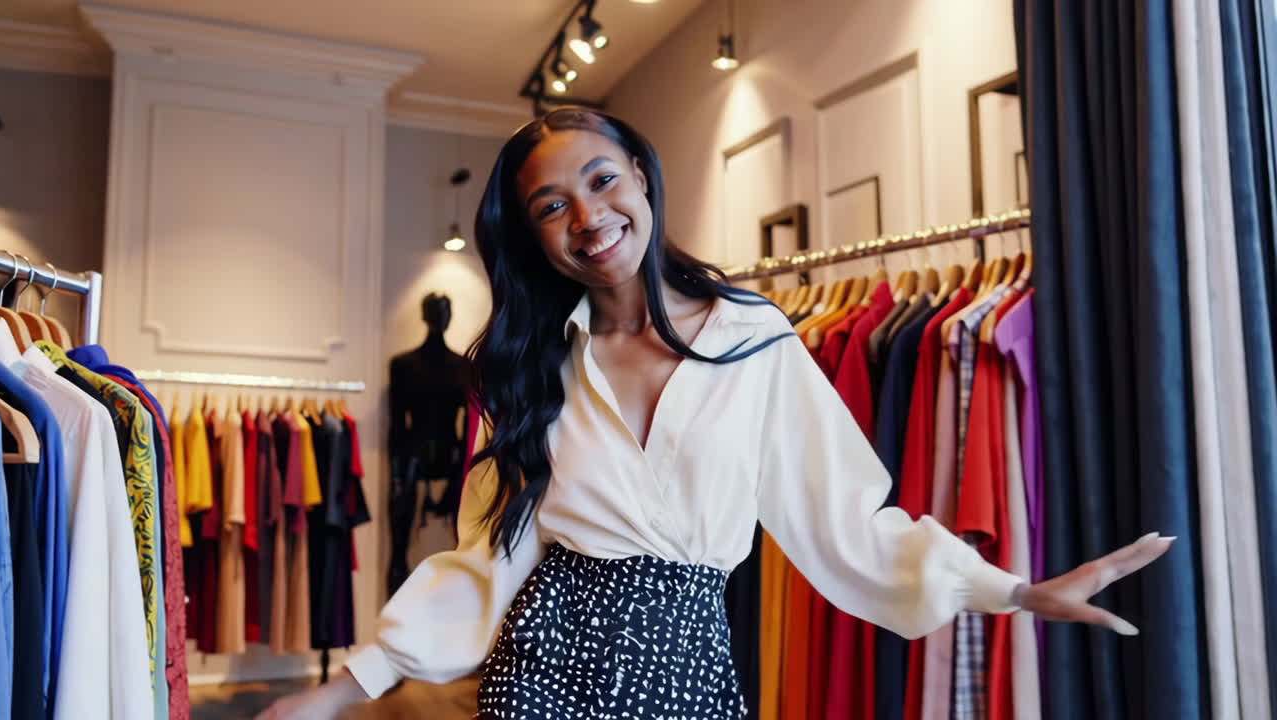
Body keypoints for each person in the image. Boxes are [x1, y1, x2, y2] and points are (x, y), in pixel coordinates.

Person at [259, 108, 1171, 719]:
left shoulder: (754, 338)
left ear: (644, 182)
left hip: (693, 669)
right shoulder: (538, 372)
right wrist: (343, 691)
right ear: (532, 235)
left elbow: (846, 523)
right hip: (543, 673)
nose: (589, 214)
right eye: (552, 204)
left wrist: (1012, 590)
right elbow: (487, 560)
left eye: (604, 180)